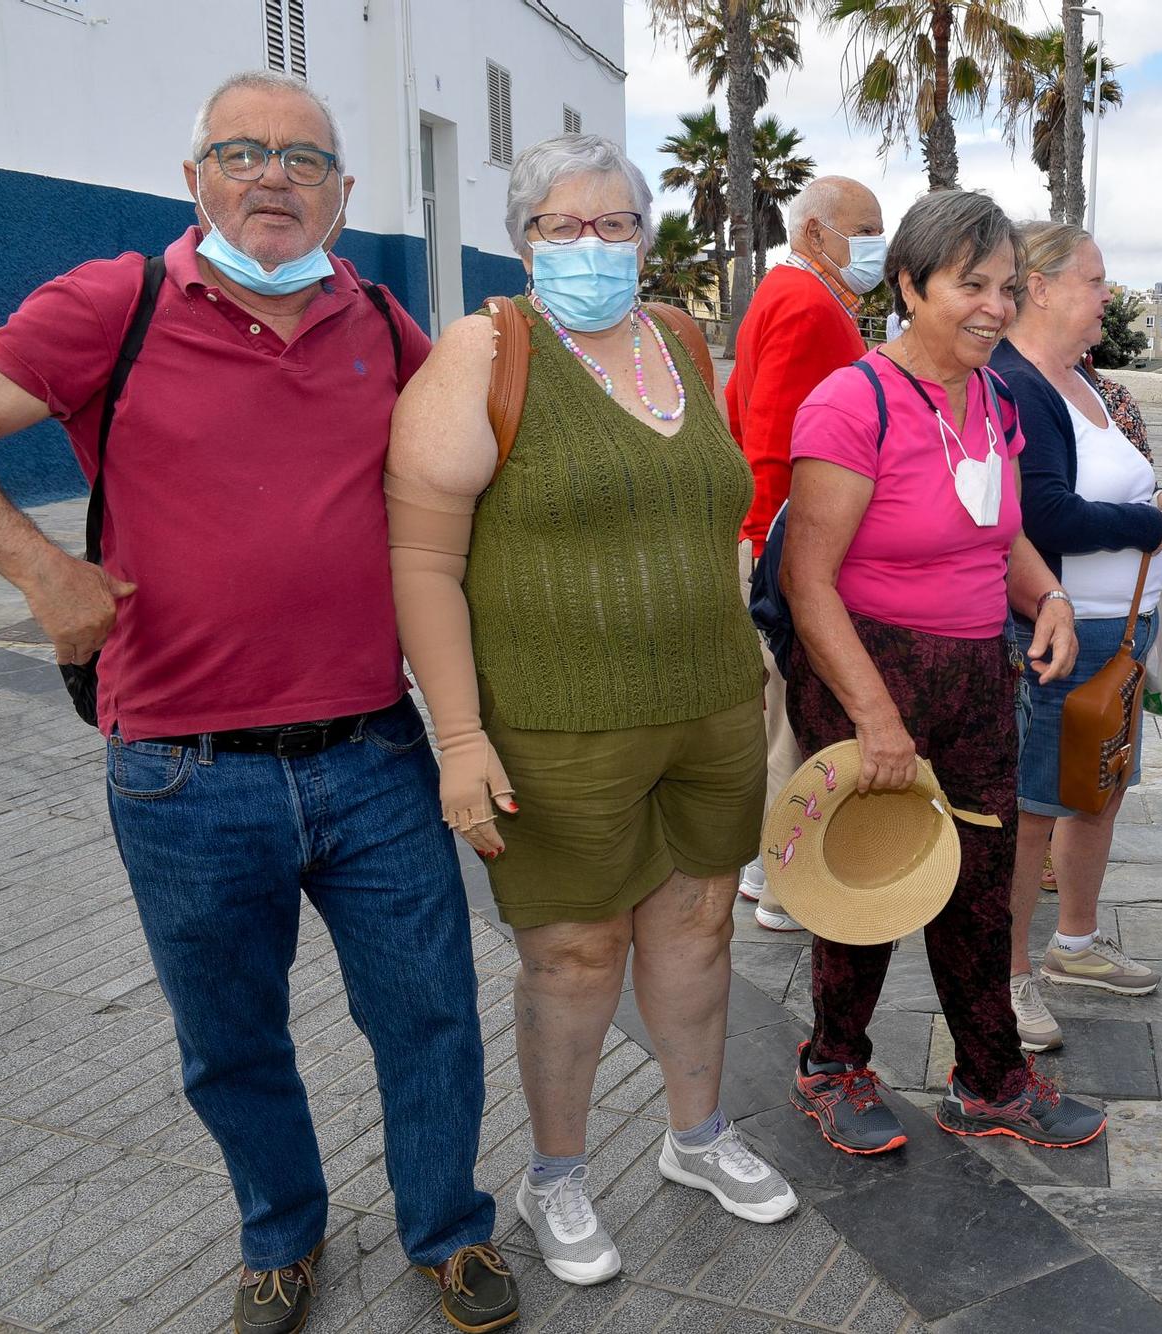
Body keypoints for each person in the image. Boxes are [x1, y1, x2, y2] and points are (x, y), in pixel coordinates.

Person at [0, 71, 517, 1334]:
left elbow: (469, 485)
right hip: (182, 769)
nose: (272, 175)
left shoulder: (382, 324)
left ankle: (446, 1228)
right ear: (194, 180)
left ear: (342, 195)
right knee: (230, 1039)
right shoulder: (108, 304)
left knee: (432, 1012)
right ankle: (279, 1232)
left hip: (376, 754)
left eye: (303, 159)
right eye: (241, 150)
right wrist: (41, 567)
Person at [386, 133, 798, 1288]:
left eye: (614, 223)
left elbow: (707, 503)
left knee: (700, 926)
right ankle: (556, 1173)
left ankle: (697, 1134)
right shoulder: (485, 350)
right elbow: (420, 559)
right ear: (522, 239)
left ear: (644, 235)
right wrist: (459, 740)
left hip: (711, 706)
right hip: (558, 724)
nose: (592, 245)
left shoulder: (677, 336)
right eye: (562, 226)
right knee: (571, 954)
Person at [780, 189, 1107, 1153]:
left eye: (1007, 288)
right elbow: (807, 581)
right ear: (911, 284)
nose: (995, 308)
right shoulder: (853, 401)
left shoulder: (997, 398)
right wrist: (875, 719)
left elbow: (997, 534)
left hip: (975, 673)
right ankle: (833, 1065)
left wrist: (1045, 596)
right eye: (972, 285)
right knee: (869, 880)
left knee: (982, 876)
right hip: (866, 669)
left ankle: (992, 1078)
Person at [991, 221, 1162, 1052]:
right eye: (1095, 280)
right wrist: (1145, 521)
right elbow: (1041, 514)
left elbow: (1111, 488)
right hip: (1062, 632)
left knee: (1098, 787)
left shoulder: (1082, 380)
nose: (1107, 295)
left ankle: (1074, 943)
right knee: (1037, 806)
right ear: (1038, 287)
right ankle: (1008, 976)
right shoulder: (1019, 382)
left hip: (1122, 628)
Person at [729, 175, 887, 932]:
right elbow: (770, 437)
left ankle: (768, 867)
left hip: (775, 536)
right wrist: (774, 551)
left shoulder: (792, 293)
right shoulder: (804, 302)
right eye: (868, 227)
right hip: (785, 539)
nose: (878, 242)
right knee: (793, 717)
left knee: (779, 714)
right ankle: (780, 875)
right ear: (817, 232)